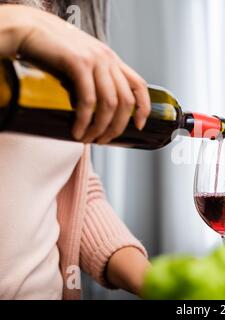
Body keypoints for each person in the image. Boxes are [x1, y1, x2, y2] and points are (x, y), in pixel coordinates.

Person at [0, 1, 152, 299]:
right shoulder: (34, 26)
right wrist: (24, 24)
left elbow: (70, 191)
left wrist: (157, 282)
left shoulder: (68, 12)